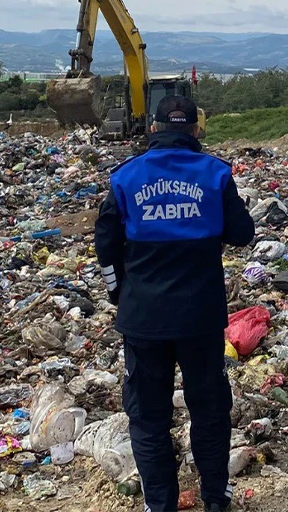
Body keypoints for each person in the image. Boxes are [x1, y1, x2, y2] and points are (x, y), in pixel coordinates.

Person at [94, 95, 255, 512]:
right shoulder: (216, 174)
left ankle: (160, 505)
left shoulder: (126, 178)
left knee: (148, 419)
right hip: (200, 319)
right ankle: (216, 500)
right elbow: (242, 233)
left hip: (143, 319)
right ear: (194, 130)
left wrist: (118, 293)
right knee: (209, 412)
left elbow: (106, 242)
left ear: (153, 128)